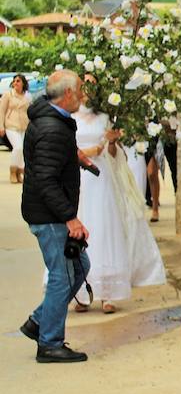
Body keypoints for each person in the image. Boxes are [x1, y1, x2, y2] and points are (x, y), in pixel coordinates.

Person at [18, 70, 90, 362]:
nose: (84, 96)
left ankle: (39, 322)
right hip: (49, 217)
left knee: (80, 266)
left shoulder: (52, 121)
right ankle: (49, 343)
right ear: (69, 93)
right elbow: (46, 180)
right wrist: (70, 218)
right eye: (81, 90)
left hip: (50, 213)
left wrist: (73, 155)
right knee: (62, 276)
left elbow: (47, 162)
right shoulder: (52, 128)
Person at [71, 102, 165, 313]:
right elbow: (63, 146)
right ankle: (81, 292)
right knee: (79, 229)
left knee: (104, 229)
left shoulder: (105, 116)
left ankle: (107, 292)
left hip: (101, 175)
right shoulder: (70, 116)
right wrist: (88, 151)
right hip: (77, 175)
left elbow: (113, 154)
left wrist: (111, 143)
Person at [0, 73, 32, 183]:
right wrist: (1, 126)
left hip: (24, 126)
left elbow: (30, 111)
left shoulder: (27, 96)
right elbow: (1, 111)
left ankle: (20, 172)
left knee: (23, 149)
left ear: (23, 83)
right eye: (14, 81)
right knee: (17, 147)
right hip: (10, 125)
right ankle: (13, 171)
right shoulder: (8, 95)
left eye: (18, 81)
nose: (15, 83)